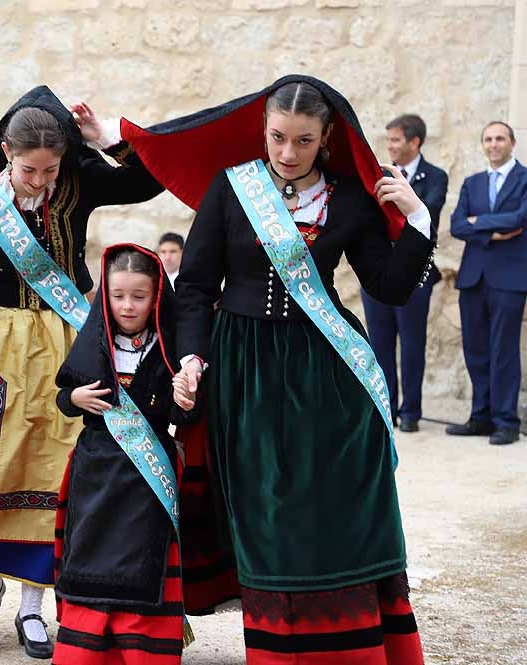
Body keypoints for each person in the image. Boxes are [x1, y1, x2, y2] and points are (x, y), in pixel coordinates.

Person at [125, 76, 432, 664]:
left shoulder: (347, 198)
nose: (288, 153)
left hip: (327, 372)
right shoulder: (232, 188)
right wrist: (192, 357)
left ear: (326, 139)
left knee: (337, 504)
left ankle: (349, 642)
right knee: (266, 508)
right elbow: (193, 288)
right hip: (244, 370)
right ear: (262, 130)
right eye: (277, 137)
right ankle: (276, 647)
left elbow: (390, 288)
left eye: (304, 141)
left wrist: (417, 217)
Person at [0, 86, 163, 659]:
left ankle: (33, 605)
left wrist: (105, 141)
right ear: (6, 153)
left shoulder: (78, 185)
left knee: (56, 464)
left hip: (67, 338)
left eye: (51, 169)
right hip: (1, 342)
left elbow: (146, 182)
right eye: (29, 169)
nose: (39, 181)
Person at [52, 244, 194, 665]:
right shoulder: (95, 343)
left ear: (157, 297)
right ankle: (87, 650)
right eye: (117, 296)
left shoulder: (169, 351)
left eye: (139, 296)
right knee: (91, 558)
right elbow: (64, 396)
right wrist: (73, 397)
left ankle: (143, 648)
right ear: (105, 295)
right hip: (95, 469)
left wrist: (185, 402)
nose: (127, 306)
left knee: (141, 561)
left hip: (147, 479)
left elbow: (185, 412)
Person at [361, 114, 448, 432]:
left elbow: (429, 213)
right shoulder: (378, 175)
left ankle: (411, 413)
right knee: (379, 344)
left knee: (413, 345)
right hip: (378, 274)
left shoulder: (436, 176)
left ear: (415, 142)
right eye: (388, 140)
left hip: (417, 276)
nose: (390, 146)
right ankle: (386, 408)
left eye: (396, 140)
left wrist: (405, 200)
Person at [448, 121, 527, 446]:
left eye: (499, 139)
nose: (493, 144)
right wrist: (492, 231)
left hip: (510, 277)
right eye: (488, 139)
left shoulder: (525, 180)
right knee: (476, 349)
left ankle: (506, 420)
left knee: (504, 350)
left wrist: (477, 223)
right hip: (473, 276)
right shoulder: (472, 183)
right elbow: (456, 225)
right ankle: (480, 416)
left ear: (512, 143)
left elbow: (519, 219)